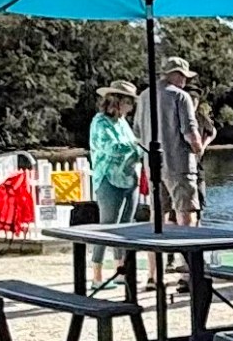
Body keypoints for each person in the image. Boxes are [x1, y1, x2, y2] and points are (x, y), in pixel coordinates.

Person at [135, 57, 206, 226]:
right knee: (186, 211)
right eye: (183, 76)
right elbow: (190, 134)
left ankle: (155, 251)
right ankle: (188, 250)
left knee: (158, 213)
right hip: (179, 164)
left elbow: (137, 132)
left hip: (152, 166)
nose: (185, 80)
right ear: (175, 74)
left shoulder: (144, 96)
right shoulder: (181, 96)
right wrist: (199, 150)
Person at [87, 82, 144, 279]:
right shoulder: (100, 122)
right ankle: (97, 274)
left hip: (129, 178)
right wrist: (135, 145)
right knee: (107, 226)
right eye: (129, 102)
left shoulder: (123, 122)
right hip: (108, 179)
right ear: (117, 101)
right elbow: (111, 147)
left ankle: (121, 270)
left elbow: (136, 147)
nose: (131, 107)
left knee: (126, 226)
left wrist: (138, 148)